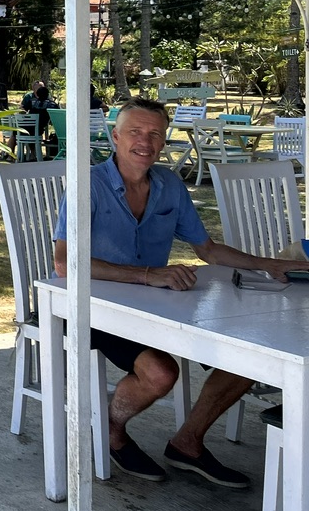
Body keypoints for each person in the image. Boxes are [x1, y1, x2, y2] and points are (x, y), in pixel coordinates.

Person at [54, 96, 304, 488]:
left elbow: (207, 250)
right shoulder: (88, 184)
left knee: (247, 355)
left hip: (155, 307)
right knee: (160, 373)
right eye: (135, 132)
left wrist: (266, 264)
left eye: (155, 133)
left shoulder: (169, 185)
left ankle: (188, 442)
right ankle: (111, 427)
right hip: (92, 306)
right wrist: (149, 275)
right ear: (115, 137)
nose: (146, 141)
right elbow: (66, 264)